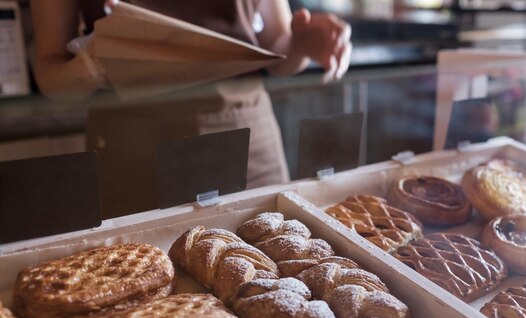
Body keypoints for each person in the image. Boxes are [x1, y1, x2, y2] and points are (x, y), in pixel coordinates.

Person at [30, 0, 352, 218]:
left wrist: (301, 44)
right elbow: (49, 70)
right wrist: (88, 68)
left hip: (247, 140)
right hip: (131, 150)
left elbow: (278, 45)